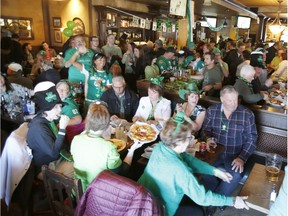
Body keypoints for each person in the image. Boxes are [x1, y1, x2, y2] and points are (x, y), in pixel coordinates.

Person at [138, 111, 249, 216]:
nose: (191, 139)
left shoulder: (160, 147)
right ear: (180, 142)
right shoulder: (180, 170)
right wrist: (232, 201)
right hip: (159, 210)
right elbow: (202, 198)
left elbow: (188, 159)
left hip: (141, 200)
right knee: (198, 212)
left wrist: (215, 171)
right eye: (189, 137)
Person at [201, 86, 257, 214]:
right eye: (230, 100)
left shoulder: (246, 114)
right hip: (213, 153)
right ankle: (217, 198)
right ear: (221, 99)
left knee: (236, 175)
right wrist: (208, 138)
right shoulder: (212, 111)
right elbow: (205, 131)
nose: (234, 103)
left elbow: (252, 139)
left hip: (234, 155)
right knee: (204, 171)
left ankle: (214, 201)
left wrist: (242, 158)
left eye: (236, 99)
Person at [71, 102, 142, 191]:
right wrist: (132, 150)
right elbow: (121, 172)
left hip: (78, 190)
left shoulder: (76, 139)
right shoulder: (109, 146)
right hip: (97, 194)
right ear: (107, 125)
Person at [27, 81, 72, 177]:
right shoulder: (39, 127)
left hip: (57, 160)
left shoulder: (49, 119)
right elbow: (54, 154)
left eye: (60, 106)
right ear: (45, 110)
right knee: (82, 169)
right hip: (46, 167)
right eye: (55, 107)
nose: (60, 110)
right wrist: (62, 129)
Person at [69, 51, 112, 115]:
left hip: (102, 102)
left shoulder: (108, 74)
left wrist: (102, 87)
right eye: (100, 60)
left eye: (104, 60)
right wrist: (77, 52)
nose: (102, 62)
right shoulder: (89, 69)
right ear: (95, 61)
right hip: (90, 101)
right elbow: (72, 62)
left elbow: (109, 89)